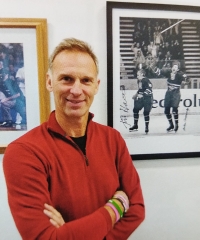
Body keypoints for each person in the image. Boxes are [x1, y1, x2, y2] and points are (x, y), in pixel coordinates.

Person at [3, 38, 145, 239]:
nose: (77, 90)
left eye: (85, 80)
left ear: (96, 86)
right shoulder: (24, 152)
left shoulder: (112, 139)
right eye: (67, 79)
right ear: (50, 82)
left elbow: (137, 207)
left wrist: (69, 232)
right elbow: (45, 238)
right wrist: (116, 207)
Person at [162, 60, 187, 132]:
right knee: (166, 111)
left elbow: (187, 80)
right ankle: (171, 125)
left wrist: (185, 81)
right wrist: (154, 68)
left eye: (176, 67)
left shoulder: (180, 74)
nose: (174, 68)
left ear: (178, 69)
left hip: (176, 94)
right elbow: (160, 72)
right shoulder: (168, 73)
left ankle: (176, 125)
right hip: (168, 93)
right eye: (173, 66)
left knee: (174, 110)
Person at [0, 61, 26, 128]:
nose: (2, 76)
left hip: (19, 101)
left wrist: (6, 99)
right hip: (12, 101)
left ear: (7, 75)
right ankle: (8, 121)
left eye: (4, 74)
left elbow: (17, 95)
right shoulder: (2, 83)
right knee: (3, 103)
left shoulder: (12, 82)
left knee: (25, 116)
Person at [129, 69, 153, 134]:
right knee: (135, 109)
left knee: (146, 112)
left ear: (142, 74)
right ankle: (135, 125)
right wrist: (136, 95)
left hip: (147, 98)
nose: (137, 76)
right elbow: (140, 89)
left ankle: (146, 127)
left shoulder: (146, 80)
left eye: (138, 74)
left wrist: (143, 95)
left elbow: (149, 89)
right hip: (141, 98)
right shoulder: (139, 81)